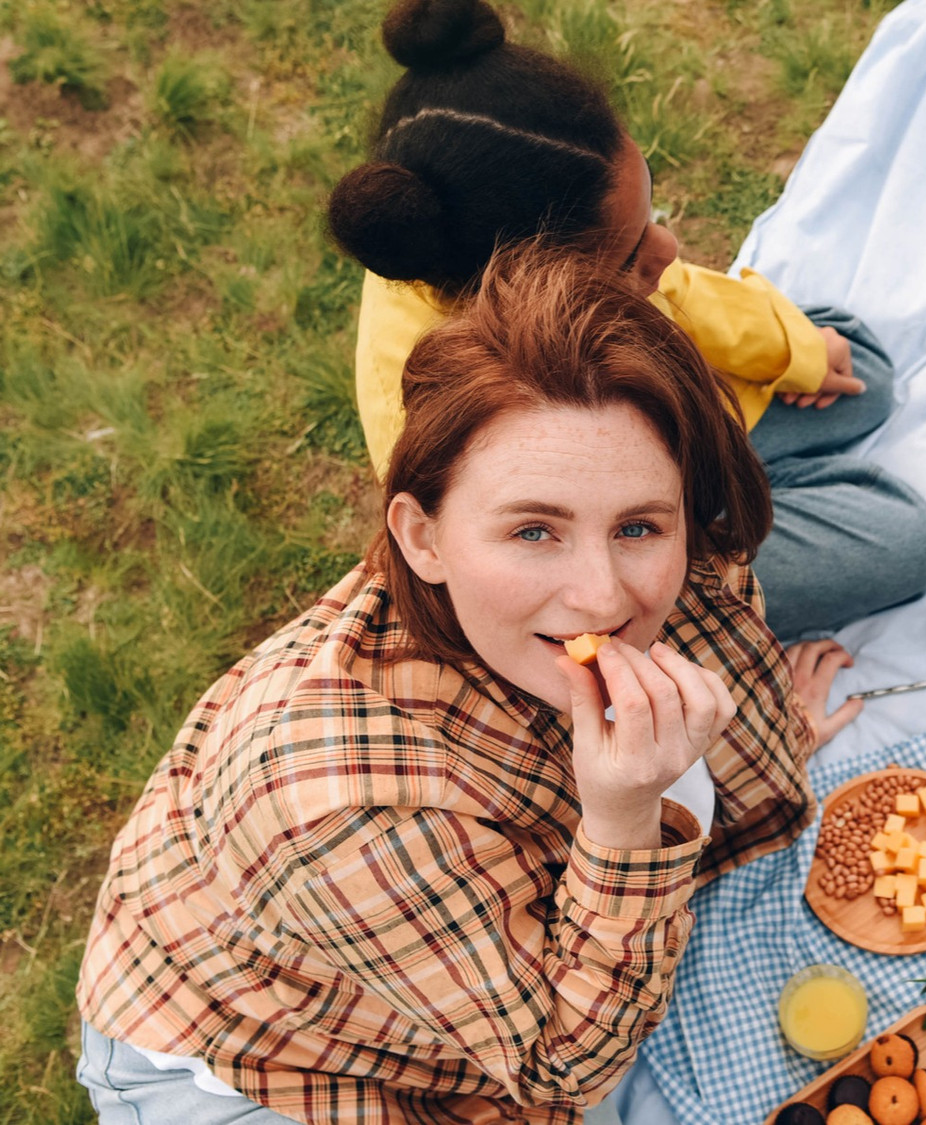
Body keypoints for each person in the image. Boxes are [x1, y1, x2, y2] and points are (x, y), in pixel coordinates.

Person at [74, 246, 863, 1123]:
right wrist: (622, 821)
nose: (603, 595)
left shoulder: (681, 557)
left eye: (639, 525)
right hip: (265, 1058)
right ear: (423, 538)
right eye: (534, 532)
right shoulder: (345, 812)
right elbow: (564, 1066)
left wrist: (756, 737)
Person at [327, 0, 926, 641]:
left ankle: (745, 482)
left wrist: (795, 349)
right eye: (629, 255)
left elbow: (675, 293)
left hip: (675, 421)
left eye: (648, 208)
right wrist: (670, 534)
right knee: (903, 541)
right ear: (527, 298)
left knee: (857, 365)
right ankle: (730, 508)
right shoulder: (447, 423)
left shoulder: (477, 240)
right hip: (633, 521)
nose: (668, 250)